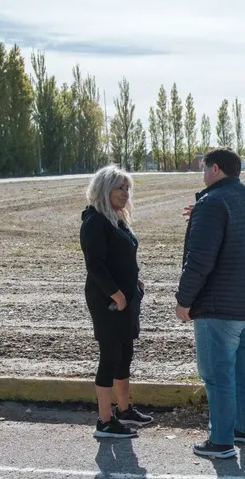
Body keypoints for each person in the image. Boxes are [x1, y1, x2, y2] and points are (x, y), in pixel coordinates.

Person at [176, 148, 245, 459]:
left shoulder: (212, 203)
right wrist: (201, 213)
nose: (202, 174)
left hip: (220, 307)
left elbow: (199, 261)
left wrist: (184, 299)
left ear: (215, 169)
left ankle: (220, 441)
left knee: (218, 374)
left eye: (204, 168)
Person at [80, 165, 154, 438]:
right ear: (103, 189)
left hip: (126, 298)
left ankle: (124, 410)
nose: (125, 193)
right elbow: (96, 266)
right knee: (109, 357)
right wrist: (118, 295)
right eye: (119, 188)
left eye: (127, 188)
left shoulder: (116, 219)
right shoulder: (95, 222)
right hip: (108, 301)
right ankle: (104, 421)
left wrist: (135, 283)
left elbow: (122, 259)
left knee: (125, 356)